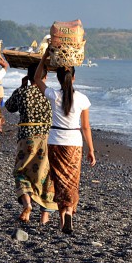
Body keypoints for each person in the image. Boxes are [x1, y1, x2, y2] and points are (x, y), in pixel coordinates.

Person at [34, 50, 96, 234]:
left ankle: (62, 218)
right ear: (73, 78)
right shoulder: (82, 99)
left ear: (59, 78)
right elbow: (86, 127)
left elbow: (37, 79)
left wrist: (44, 57)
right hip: (74, 142)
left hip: (55, 141)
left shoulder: (54, 95)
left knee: (58, 179)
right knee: (72, 181)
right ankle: (69, 212)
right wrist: (91, 150)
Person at [5, 63, 58, 224]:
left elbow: (9, 107)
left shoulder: (23, 92)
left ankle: (27, 205)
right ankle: (44, 216)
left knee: (22, 172)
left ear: (29, 76)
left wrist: (22, 87)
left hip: (26, 138)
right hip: (48, 138)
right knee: (46, 176)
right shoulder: (51, 94)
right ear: (45, 76)